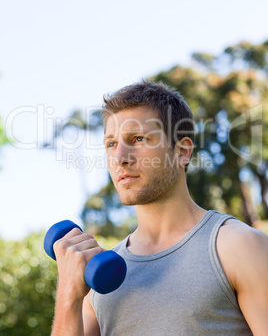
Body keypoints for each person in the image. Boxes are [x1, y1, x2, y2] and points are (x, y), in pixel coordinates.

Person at [51, 80, 268, 335]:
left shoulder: (240, 247)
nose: (120, 158)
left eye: (138, 138)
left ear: (182, 152)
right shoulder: (98, 282)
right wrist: (68, 295)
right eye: (111, 144)